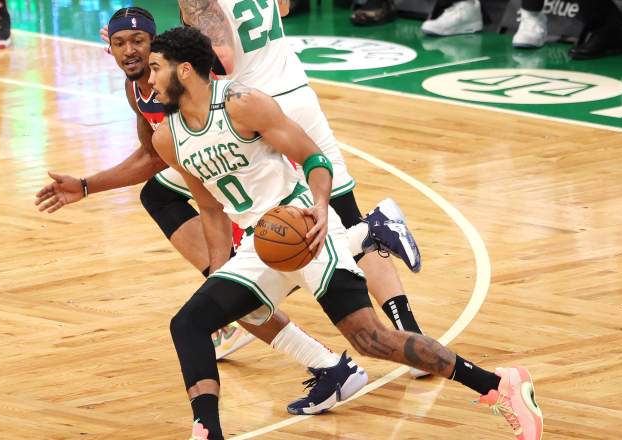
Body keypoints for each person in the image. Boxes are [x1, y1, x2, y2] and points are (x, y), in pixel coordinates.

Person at [148, 26, 543, 440]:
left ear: (186, 70)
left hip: (307, 229)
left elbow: (313, 158)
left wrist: (320, 207)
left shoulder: (242, 105)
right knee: (190, 323)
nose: (152, 79)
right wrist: (219, 271)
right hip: (261, 244)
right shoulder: (168, 138)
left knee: (372, 340)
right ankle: (207, 430)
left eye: (157, 68)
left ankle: (500, 386)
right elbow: (210, 208)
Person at [34, 7, 370, 416]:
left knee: (261, 263)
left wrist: (89, 186)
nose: (130, 52)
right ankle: (328, 360)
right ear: (109, 47)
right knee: (175, 221)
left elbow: (208, 88)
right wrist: (86, 186)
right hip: (209, 172)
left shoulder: (184, 80)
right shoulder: (137, 88)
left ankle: (364, 236)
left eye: (139, 43)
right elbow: (152, 155)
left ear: (161, 50)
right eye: (120, 43)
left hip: (245, 162)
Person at [174, 0, 432, 382]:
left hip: (251, 108)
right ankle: (408, 330)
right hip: (298, 92)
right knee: (341, 213)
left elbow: (223, 59)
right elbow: (285, 6)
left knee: (165, 192)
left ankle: (229, 312)